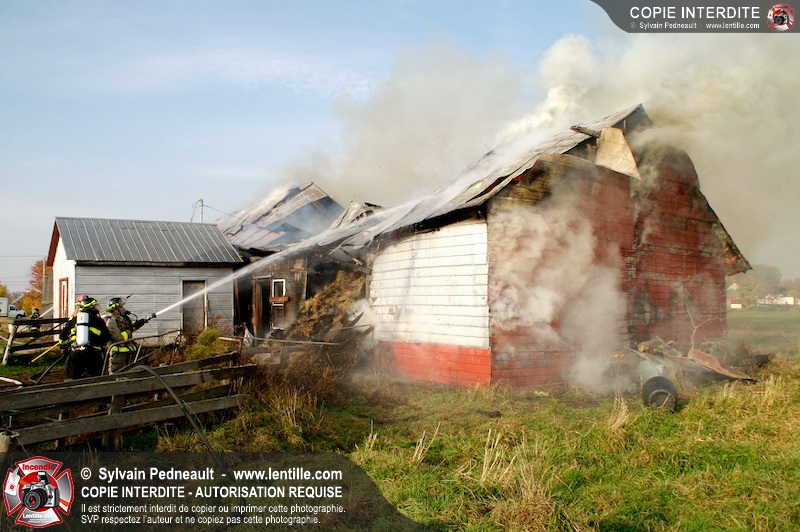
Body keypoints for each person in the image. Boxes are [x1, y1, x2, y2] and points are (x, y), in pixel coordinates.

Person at [58, 295, 112, 380]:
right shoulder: (98, 320)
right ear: (91, 307)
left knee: (73, 379)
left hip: (76, 354)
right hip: (93, 354)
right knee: (96, 378)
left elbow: (62, 338)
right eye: (95, 306)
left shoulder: (75, 319)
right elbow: (106, 337)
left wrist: (66, 346)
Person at [102, 297, 151, 373]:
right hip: (118, 353)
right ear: (116, 309)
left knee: (130, 372)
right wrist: (129, 331)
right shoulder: (111, 321)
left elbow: (129, 327)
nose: (123, 309)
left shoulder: (121, 318)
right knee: (116, 373)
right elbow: (118, 337)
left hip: (128, 351)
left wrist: (141, 322)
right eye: (121, 307)